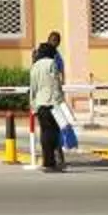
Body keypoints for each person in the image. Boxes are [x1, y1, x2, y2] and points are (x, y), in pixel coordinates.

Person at [28, 32, 69, 173]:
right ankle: (53, 162)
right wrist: (61, 101)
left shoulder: (35, 66)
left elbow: (32, 87)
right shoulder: (52, 63)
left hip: (40, 104)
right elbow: (55, 84)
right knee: (54, 133)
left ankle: (47, 162)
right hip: (52, 102)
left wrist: (32, 105)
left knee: (45, 134)